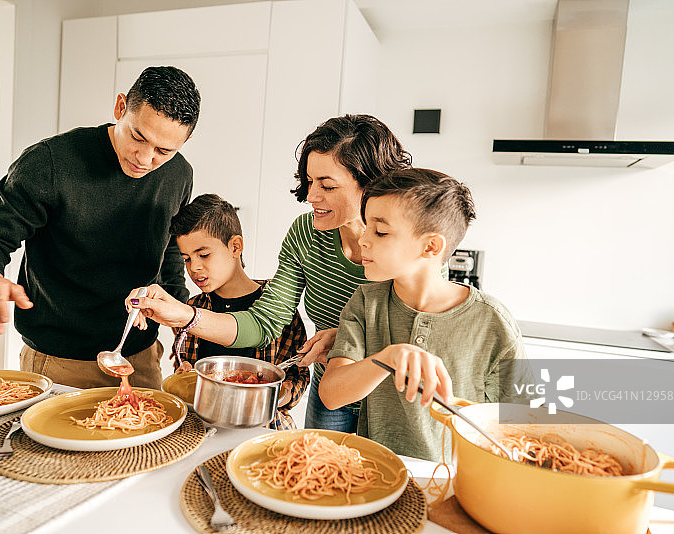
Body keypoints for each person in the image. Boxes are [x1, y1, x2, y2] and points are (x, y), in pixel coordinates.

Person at [127, 114, 411, 432]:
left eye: (327, 186)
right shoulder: (305, 234)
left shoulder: (409, 241)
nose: (310, 196)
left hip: (392, 396)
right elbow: (264, 322)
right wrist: (183, 315)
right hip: (330, 388)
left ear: (370, 183)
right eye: (309, 181)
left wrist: (346, 340)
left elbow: (419, 338)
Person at [0, 66, 201, 389]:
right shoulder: (51, 162)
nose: (144, 158)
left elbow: (168, 248)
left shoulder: (179, 175)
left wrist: (180, 314)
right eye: (138, 136)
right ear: (120, 107)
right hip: (58, 363)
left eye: (163, 151)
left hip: (139, 358)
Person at [317, 168, 531, 462]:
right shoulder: (366, 303)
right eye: (366, 227)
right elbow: (331, 394)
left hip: (459, 481)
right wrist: (387, 358)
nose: (363, 239)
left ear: (431, 246)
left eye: (380, 231)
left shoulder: (492, 321)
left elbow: (519, 427)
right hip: (377, 473)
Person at [156, 193, 309, 429]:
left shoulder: (277, 306)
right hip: (201, 426)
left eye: (204, 254)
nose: (194, 267)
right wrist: (184, 373)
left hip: (262, 426)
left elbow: (298, 375)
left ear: (235, 246)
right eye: (186, 259)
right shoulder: (193, 308)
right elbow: (185, 366)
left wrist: (278, 394)